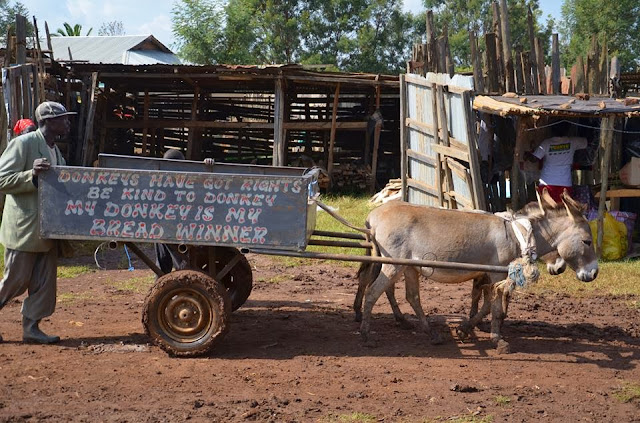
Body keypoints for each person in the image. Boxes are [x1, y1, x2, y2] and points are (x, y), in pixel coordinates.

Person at [0, 101, 76, 344]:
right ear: (49, 121)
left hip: (48, 228)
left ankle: (31, 329)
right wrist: (30, 175)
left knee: (44, 283)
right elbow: (2, 179)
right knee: (16, 280)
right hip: (25, 227)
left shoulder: (55, 150)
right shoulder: (24, 144)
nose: (68, 123)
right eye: (63, 119)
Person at [154, 149, 214, 275]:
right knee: (163, 244)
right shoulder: (162, 180)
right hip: (170, 225)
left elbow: (204, 182)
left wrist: (207, 167)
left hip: (187, 226)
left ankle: (179, 273)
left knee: (177, 256)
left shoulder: (188, 176)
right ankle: (166, 275)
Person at [525, 121, 588, 203]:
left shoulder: (546, 143)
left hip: (547, 183)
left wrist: (527, 155)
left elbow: (534, 159)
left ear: (552, 130)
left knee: (547, 209)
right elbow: (587, 142)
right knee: (563, 209)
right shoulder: (573, 141)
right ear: (567, 130)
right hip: (565, 183)